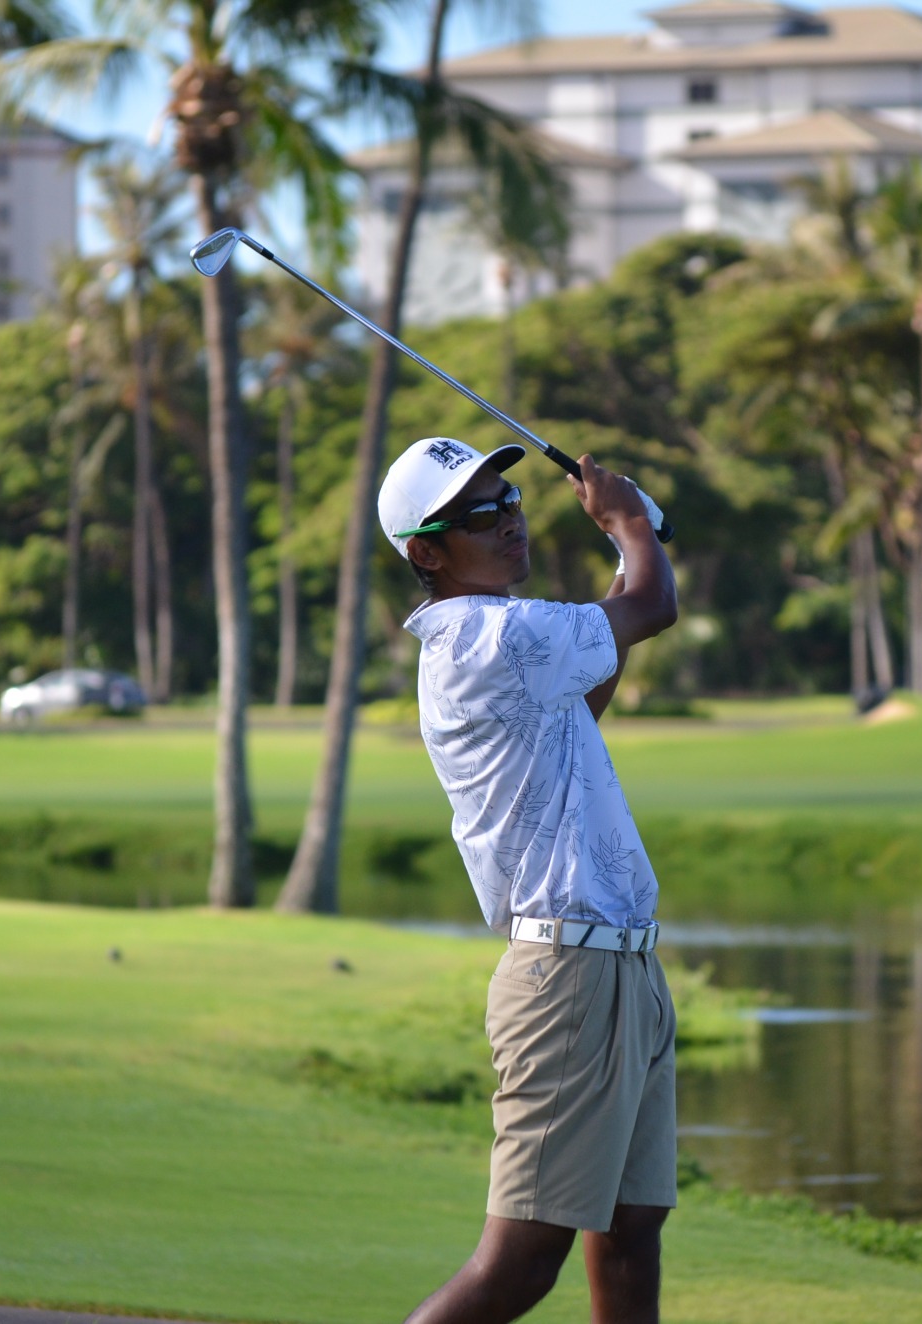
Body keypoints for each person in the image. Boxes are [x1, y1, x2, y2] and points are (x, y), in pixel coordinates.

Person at [376, 436, 679, 1324]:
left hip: (623, 962)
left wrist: (635, 544)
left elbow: (599, 673)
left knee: (631, 1227)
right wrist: (628, 523)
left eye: (509, 500)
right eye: (479, 514)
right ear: (426, 553)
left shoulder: (520, 639)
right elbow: (651, 607)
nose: (509, 519)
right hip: (566, 976)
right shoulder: (480, 635)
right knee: (521, 1264)